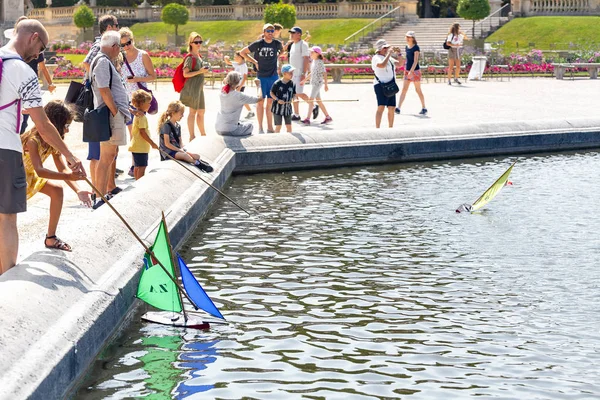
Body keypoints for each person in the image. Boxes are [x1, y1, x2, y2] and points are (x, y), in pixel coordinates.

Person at [0, 19, 85, 274]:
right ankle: (7, 280)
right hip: (5, 147)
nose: (39, 55)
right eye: (42, 48)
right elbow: (44, 125)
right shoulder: (24, 71)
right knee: (7, 218)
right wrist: (70, 156)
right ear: (33, 37)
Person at [22, 100, 93, 252]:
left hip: (29, 176)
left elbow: (61, 167)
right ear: (54, 123)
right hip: (13, 179)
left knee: (56, 190)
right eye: (66, 126)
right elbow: (40, 170)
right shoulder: (33, 141)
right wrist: (70, 177)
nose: (67, 131)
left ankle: (51, 238)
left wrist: (78, 190)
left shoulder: (53, 141)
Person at [90, 31, 132, 210]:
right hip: (110, 115)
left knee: (109, 154)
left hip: (111, 114)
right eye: (119, 47)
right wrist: (115, 111)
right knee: (106, 156)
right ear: (114, 46)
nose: (120, 51)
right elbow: (104, 89)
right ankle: (100, 196)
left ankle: (101, 194)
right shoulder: (102, 61)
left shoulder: (102, 60)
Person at [81, 15, 120, 187]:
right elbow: (86, 63)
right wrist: (99, 79)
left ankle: (108, 187)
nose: (119, 28)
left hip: (102, 102)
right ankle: (99, 191)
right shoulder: (100, 45)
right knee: (98, 152)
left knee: (108, 151)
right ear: (110, 27)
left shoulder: (105, 47)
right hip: (99, 104)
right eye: (117, 25)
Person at [12, 16, 56, 134]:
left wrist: (50, 83)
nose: (36, 55)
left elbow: (43, 67)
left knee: (25, 118)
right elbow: (43, 68)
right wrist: (50, 83)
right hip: (26, 85)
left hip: (28, 85)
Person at [241, 23, 283, 134]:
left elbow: (282, 51)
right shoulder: (259, 44)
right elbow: (242, 52)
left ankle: (270, 127)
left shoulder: (277, 43)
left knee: (270, 102)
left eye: (272, 31)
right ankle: (260, 128)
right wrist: (255, 62)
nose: (270, 33)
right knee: (260, 102)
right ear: (264, 32)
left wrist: (277, 58)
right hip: (261, 76)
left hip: (273, 76)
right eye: (268, 31)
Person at [158, 101, 213, 172]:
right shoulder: (166, 126)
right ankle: (198, 164)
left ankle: (198, 160)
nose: (183, 116)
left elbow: (180, 141)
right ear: (173, 113)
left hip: (177, 150)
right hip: (168, 152)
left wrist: (183, 149)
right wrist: (180, 151)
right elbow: (167, 144)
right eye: (181, 114)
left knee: (196, 156)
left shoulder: (178, 126)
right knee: (185, 156)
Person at [180, 32, 210, 141]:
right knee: (192, 112)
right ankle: (192, 136)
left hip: (199, 89)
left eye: (200, 42)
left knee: (201, 112)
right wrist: (200, 71)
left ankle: (203, 135)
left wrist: (203, 72)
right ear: (191, 43)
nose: (198, 44)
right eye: (196, 42)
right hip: (192, 88)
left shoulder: (199, 56)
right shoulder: (190, 57)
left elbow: (198, 72)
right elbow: (185, 74)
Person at [216, 71, 263, 137]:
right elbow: (260, 98)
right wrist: (259, 86)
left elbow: (225, 82)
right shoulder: (239, 96)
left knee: (241, 121)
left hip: (218, 127)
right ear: (238, 82)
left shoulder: (222, 90)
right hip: (230, 129)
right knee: (250, 126)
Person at [128, 90, 158, 180]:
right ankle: (140, 183)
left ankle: (137, 181)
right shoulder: (142, 117)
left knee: (137, 166)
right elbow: (142, 132)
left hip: (136, 146)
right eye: (148, 103)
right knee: (142, 167)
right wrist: (152, 143)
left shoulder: (137, 115)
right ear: (141, 104)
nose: (150, 105)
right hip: (141, 147)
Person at [371, 39, 400, 128]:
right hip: (380, 85)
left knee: (391, 107)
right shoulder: (376, 58)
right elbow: (382, 65)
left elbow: (400, 64)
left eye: (387, 48)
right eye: (384, 48)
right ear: (379, 49)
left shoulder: (388, 57)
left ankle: (390, 127)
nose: (386, 49)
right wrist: (388, 55)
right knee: (381, 107)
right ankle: (377, 128)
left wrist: (399, 53)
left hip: (390, 84)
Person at [397, 31, 427, 116]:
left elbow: (415, 60)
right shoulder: (406, 47)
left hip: (415, 71)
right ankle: (398, 108)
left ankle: (424, 107)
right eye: (407, 36)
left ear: (413, 38)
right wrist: (399, 53)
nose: (407, 38)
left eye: (409, 37)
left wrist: (411, 71)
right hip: (407, 70)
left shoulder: (416, 47)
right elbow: (407, 59)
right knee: (404, 90)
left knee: (418, 90)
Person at [301, 46, 332, 125]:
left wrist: (326, 85)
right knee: (318, 101)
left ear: (317, 54)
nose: (310, 54)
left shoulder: (319, 62)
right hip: (314, 83)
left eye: (312, 52)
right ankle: (328, 117)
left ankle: (307, 119)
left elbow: (324, 73)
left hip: (317, 84)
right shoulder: (314, 62)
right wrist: (304, 80)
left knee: (311, 100)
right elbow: (312, 73)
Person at [287, 26, 310, 121]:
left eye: (293, 33)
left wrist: (304, 74)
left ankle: (313, 105)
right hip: (293, 73)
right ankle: (296, 114)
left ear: (299, 34)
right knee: (294, 94)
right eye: (291, 33)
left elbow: (306, 58)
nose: (291, 34)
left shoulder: (303, 44)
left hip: (300, 72)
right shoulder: (292, 45)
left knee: (298, 92)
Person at [224, 52, 254, 119]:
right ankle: (250, 112)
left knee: (238, 99)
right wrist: (225, 58)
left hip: (240, 85)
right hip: (235, 85)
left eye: (236, 57)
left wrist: (240, 87)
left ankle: (248, 112)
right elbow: (228, 62)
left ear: (241, 57)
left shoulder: (244, 66)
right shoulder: (237, 64)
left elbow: (245, 77)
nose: (235, 58)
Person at [270, 64, 296, 134]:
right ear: (284, 73)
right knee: (278, 126)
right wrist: (278, 100)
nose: (292, 74)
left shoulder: (292, 83)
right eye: (290, 73)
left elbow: (294, 94)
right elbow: (271, 93)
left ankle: (289, 140)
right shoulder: (277, 83)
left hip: (287, 108)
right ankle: (276, 139)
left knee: (289, 127)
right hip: (277, 109)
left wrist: (295, 99)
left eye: (292, 73)